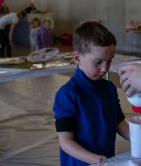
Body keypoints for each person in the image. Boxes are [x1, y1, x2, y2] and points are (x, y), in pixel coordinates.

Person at [53, 21, 129, 166]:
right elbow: (65, 141)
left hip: (104, 160)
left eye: (109, 61)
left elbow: (119, 124)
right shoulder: (67, 94)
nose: (105, 69)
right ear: (77, 58)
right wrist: (94, 159)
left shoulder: (109, 88)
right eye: (98, 62)